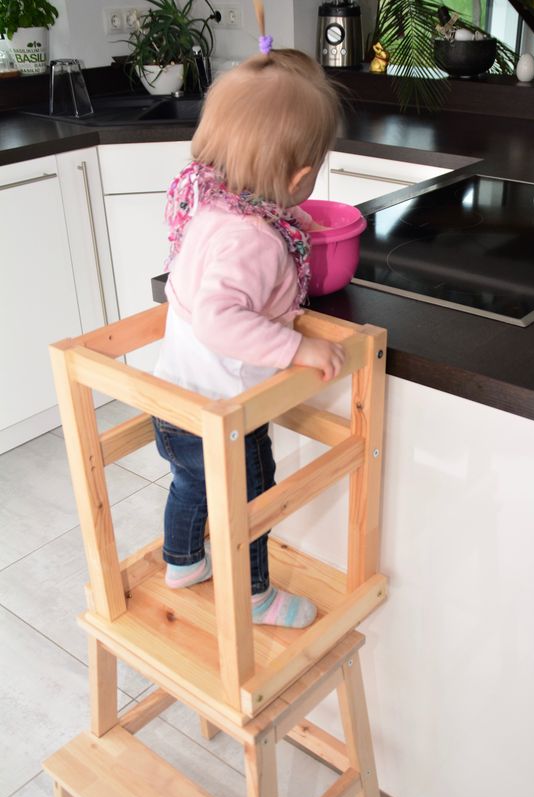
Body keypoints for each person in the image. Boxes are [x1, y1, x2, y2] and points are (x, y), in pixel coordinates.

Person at [152, 43, 344, 629]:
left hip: (178, 400)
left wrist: (289, 220)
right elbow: (218, 316)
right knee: (250, 501)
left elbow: (239, 252)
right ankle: (255, 595)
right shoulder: (255, 241)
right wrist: (297, 346)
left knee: (190, 483)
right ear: (300, 175)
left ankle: (183, 561)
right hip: (222, 410)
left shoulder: (215, 206)